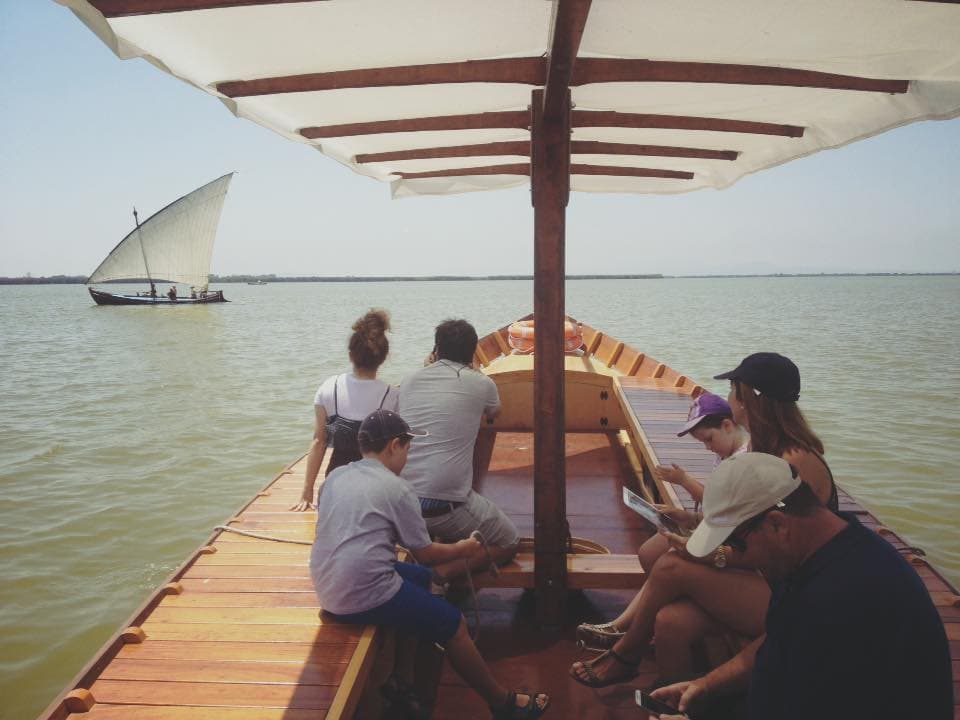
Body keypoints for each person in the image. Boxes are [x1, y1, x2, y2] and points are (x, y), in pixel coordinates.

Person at [571, 352, 836, 686]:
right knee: (670, 622)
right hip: (766, 577)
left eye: (733, 391)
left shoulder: (793, 460)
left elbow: (781, 552)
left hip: (797, 594)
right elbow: (750, 531)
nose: (729, 400)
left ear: (747, 401)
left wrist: (712, 555)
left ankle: (625, 653)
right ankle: (676, 702)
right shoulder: (763, 450)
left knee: (672, 566)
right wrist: (697, 533)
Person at [650, 453, 953, 720]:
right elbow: (779, 642)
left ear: (777, 524)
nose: (737, 555)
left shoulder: (841, 605)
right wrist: (705, 685)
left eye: (736, 543)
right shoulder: (820, 550)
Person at [310, 409, 551, 719]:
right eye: (408, 450)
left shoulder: (337, 475)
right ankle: (502, 703)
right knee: (454, 625)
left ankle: (402, 677)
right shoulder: (397, 488)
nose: (407, 459)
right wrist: (463, 548)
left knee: (424, 580)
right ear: (395, 445)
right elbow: (425, 552)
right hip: (361, 592)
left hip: (327, 583)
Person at [576, 392, 749, 651]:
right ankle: (632, 623)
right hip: (715, 526)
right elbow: (719, 507)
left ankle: (624, 630)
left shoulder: (744, 462)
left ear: (727, 425)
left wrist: (684, 482)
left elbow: (727, 511)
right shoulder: (727, 453)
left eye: (709, 439)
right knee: (649, 552)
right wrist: (689, 517)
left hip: (728, 539)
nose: (707, 447)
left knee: (668, 558)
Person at [399, 319, 518, 578]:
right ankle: (437, 577)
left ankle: (429, 556)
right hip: (445, 507)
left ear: (436, 350)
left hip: (402, 502)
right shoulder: (482, 384)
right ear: (472, 352)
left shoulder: (408, 381)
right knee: (508, 541)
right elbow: (494, 412)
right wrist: (474, 371)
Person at [291, 309, 399, 511]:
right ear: (384, 357)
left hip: (335, 486)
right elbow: (396, 451)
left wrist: (307, 490)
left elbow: (318, 442)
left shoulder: (328, 387)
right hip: (375, 490)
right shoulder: (392, 396)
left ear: (351, 355)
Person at [717, 351, 837, 509]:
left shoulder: (791, 461)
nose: (728, 397)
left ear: (744, 399)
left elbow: (786, 527)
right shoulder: (765, 445)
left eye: (731, 388)